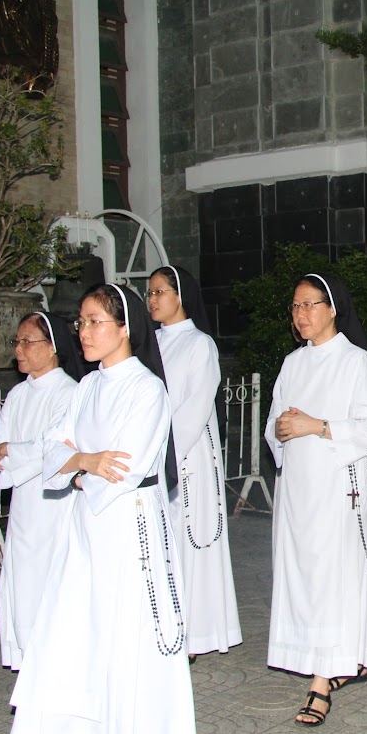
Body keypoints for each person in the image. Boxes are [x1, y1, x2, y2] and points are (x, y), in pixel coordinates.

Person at [9, 284, 195, 734]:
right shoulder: (86, 386)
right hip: (83, 528)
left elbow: (124, 467)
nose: (84, 333)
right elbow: (52, 451)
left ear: (124, 327)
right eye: (82, 323)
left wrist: (76, 462)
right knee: (82, 632)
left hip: (128, 524)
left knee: (129, 632)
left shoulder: (147, 389)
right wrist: (84, 459)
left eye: (95, 322)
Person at [264, 273, 367, 727]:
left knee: (333, 576)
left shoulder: (357, 362)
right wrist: (279, 430)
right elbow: (276, 422)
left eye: (310, 304)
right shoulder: (292, 363)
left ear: (333, 308)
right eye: (295, 306)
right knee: (302, 575)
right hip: (298, 487)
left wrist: (317, 426)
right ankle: (320, 655)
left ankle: (322, 681)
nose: (301, 314)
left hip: (337, 486)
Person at [149, 265, 242, 661]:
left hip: (185, 455)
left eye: (159, 292)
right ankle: (163, 624)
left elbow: (195, 406)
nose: (152, 300)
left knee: (188, 538)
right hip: (152, 451)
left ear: (181, 295)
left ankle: (193, 633)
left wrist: (164, 456)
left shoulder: (199, 344)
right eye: (149, 293)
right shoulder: (149, 341)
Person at [0, 311, 84, 671]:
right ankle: (26, 658)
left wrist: (13, 451)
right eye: (16, 342)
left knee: (49, 580)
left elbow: (53, 449)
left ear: (52, 347)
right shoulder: (17, 394)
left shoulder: (69, 393)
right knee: (20, 583)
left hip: (54, 504)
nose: (19, 350)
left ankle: (52, 663)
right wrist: (8, 452)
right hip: (24, 506)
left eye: (27, 342)